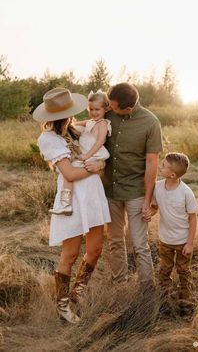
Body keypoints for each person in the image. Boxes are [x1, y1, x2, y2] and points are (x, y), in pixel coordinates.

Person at [33, 87, 111, 324]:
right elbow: (68, 172)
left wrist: (100, 166)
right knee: (71, 253)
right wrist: (96, 167)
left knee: (95, 249)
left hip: (93, 195)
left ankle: (78, 294)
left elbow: (98, 120)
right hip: (72, 197)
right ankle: (63, 306)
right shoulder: (48, 138)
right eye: (66, 113)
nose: (70, 116)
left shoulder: (75, 129)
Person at [85, 82, 163, 286]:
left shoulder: (150, 122)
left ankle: (147, 290)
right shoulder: (107, 113)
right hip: (110, 189)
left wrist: (148, 200)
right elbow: (89, 126)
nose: (108, 108)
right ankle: (120, 284)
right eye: (107, 104)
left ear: (128, 108)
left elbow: (152, 163)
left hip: (136, 191)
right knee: (115, 241)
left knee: (140, 244)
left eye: (113, 106)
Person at [149, 152, 198, 313]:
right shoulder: (157, 186)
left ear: (172, 174)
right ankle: (163, 300)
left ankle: (186, 302)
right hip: (165, 240)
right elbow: (155, 207)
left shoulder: (186, 193)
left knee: (183, 271)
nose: (160, 167)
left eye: (163, 166)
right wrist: (149, 212)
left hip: (183, 241)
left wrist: (190, 243)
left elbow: (193, 218)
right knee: (164, 270)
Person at [49, 90, 111, 216]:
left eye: (97, 109)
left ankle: (65, 204)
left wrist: (87, 156)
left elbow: (100, 142)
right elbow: (73, 124)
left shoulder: (103, 123)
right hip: (86, 153)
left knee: (69, 175)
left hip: (93, 154)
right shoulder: (90, 122)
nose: (93, 112)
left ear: (106, 109)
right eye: (91, 109)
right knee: (68, 174)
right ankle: (65, 204)